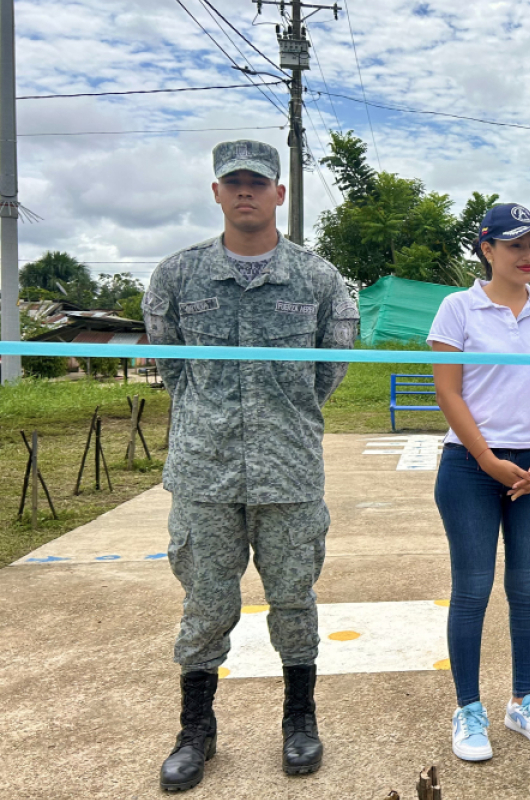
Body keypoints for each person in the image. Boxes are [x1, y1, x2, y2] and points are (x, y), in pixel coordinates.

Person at [143, 141, 357, 792]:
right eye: (233, 182)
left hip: (288, 471)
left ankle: (299, 720)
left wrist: (283, 418)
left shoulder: (319, 280)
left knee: (293, 601)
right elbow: (172, 367)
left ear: (279, 195)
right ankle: (195, 731)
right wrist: (211, 419)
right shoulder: (177, 277)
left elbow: (331, 370)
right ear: (215, 192)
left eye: (257, 183)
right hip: (205, 473)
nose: (245, 192)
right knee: (206, 604)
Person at [426, 204, 530, 762]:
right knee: (472, 588)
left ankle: (523, 701)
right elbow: (449, 393)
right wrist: (487, 458)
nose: (528, 256)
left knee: (528, 587)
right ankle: (468, 709)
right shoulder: (457, 308)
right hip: (470, 468)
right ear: (486, 249)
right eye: (515, 246)